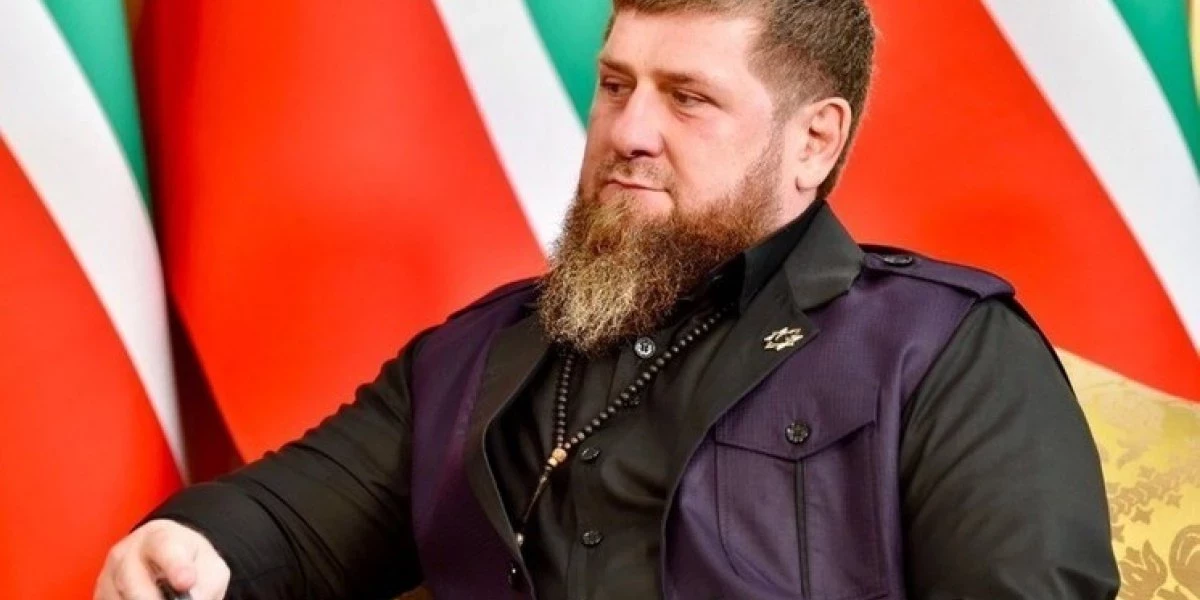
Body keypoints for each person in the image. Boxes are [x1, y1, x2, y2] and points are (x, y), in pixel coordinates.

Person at [94, 1, 1120, 598]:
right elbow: (290, 520)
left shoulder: (945, 353)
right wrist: (193, 545)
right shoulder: (477, 352)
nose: (628, 131)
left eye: (689, 98)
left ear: (813, 140)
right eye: (616, 85)